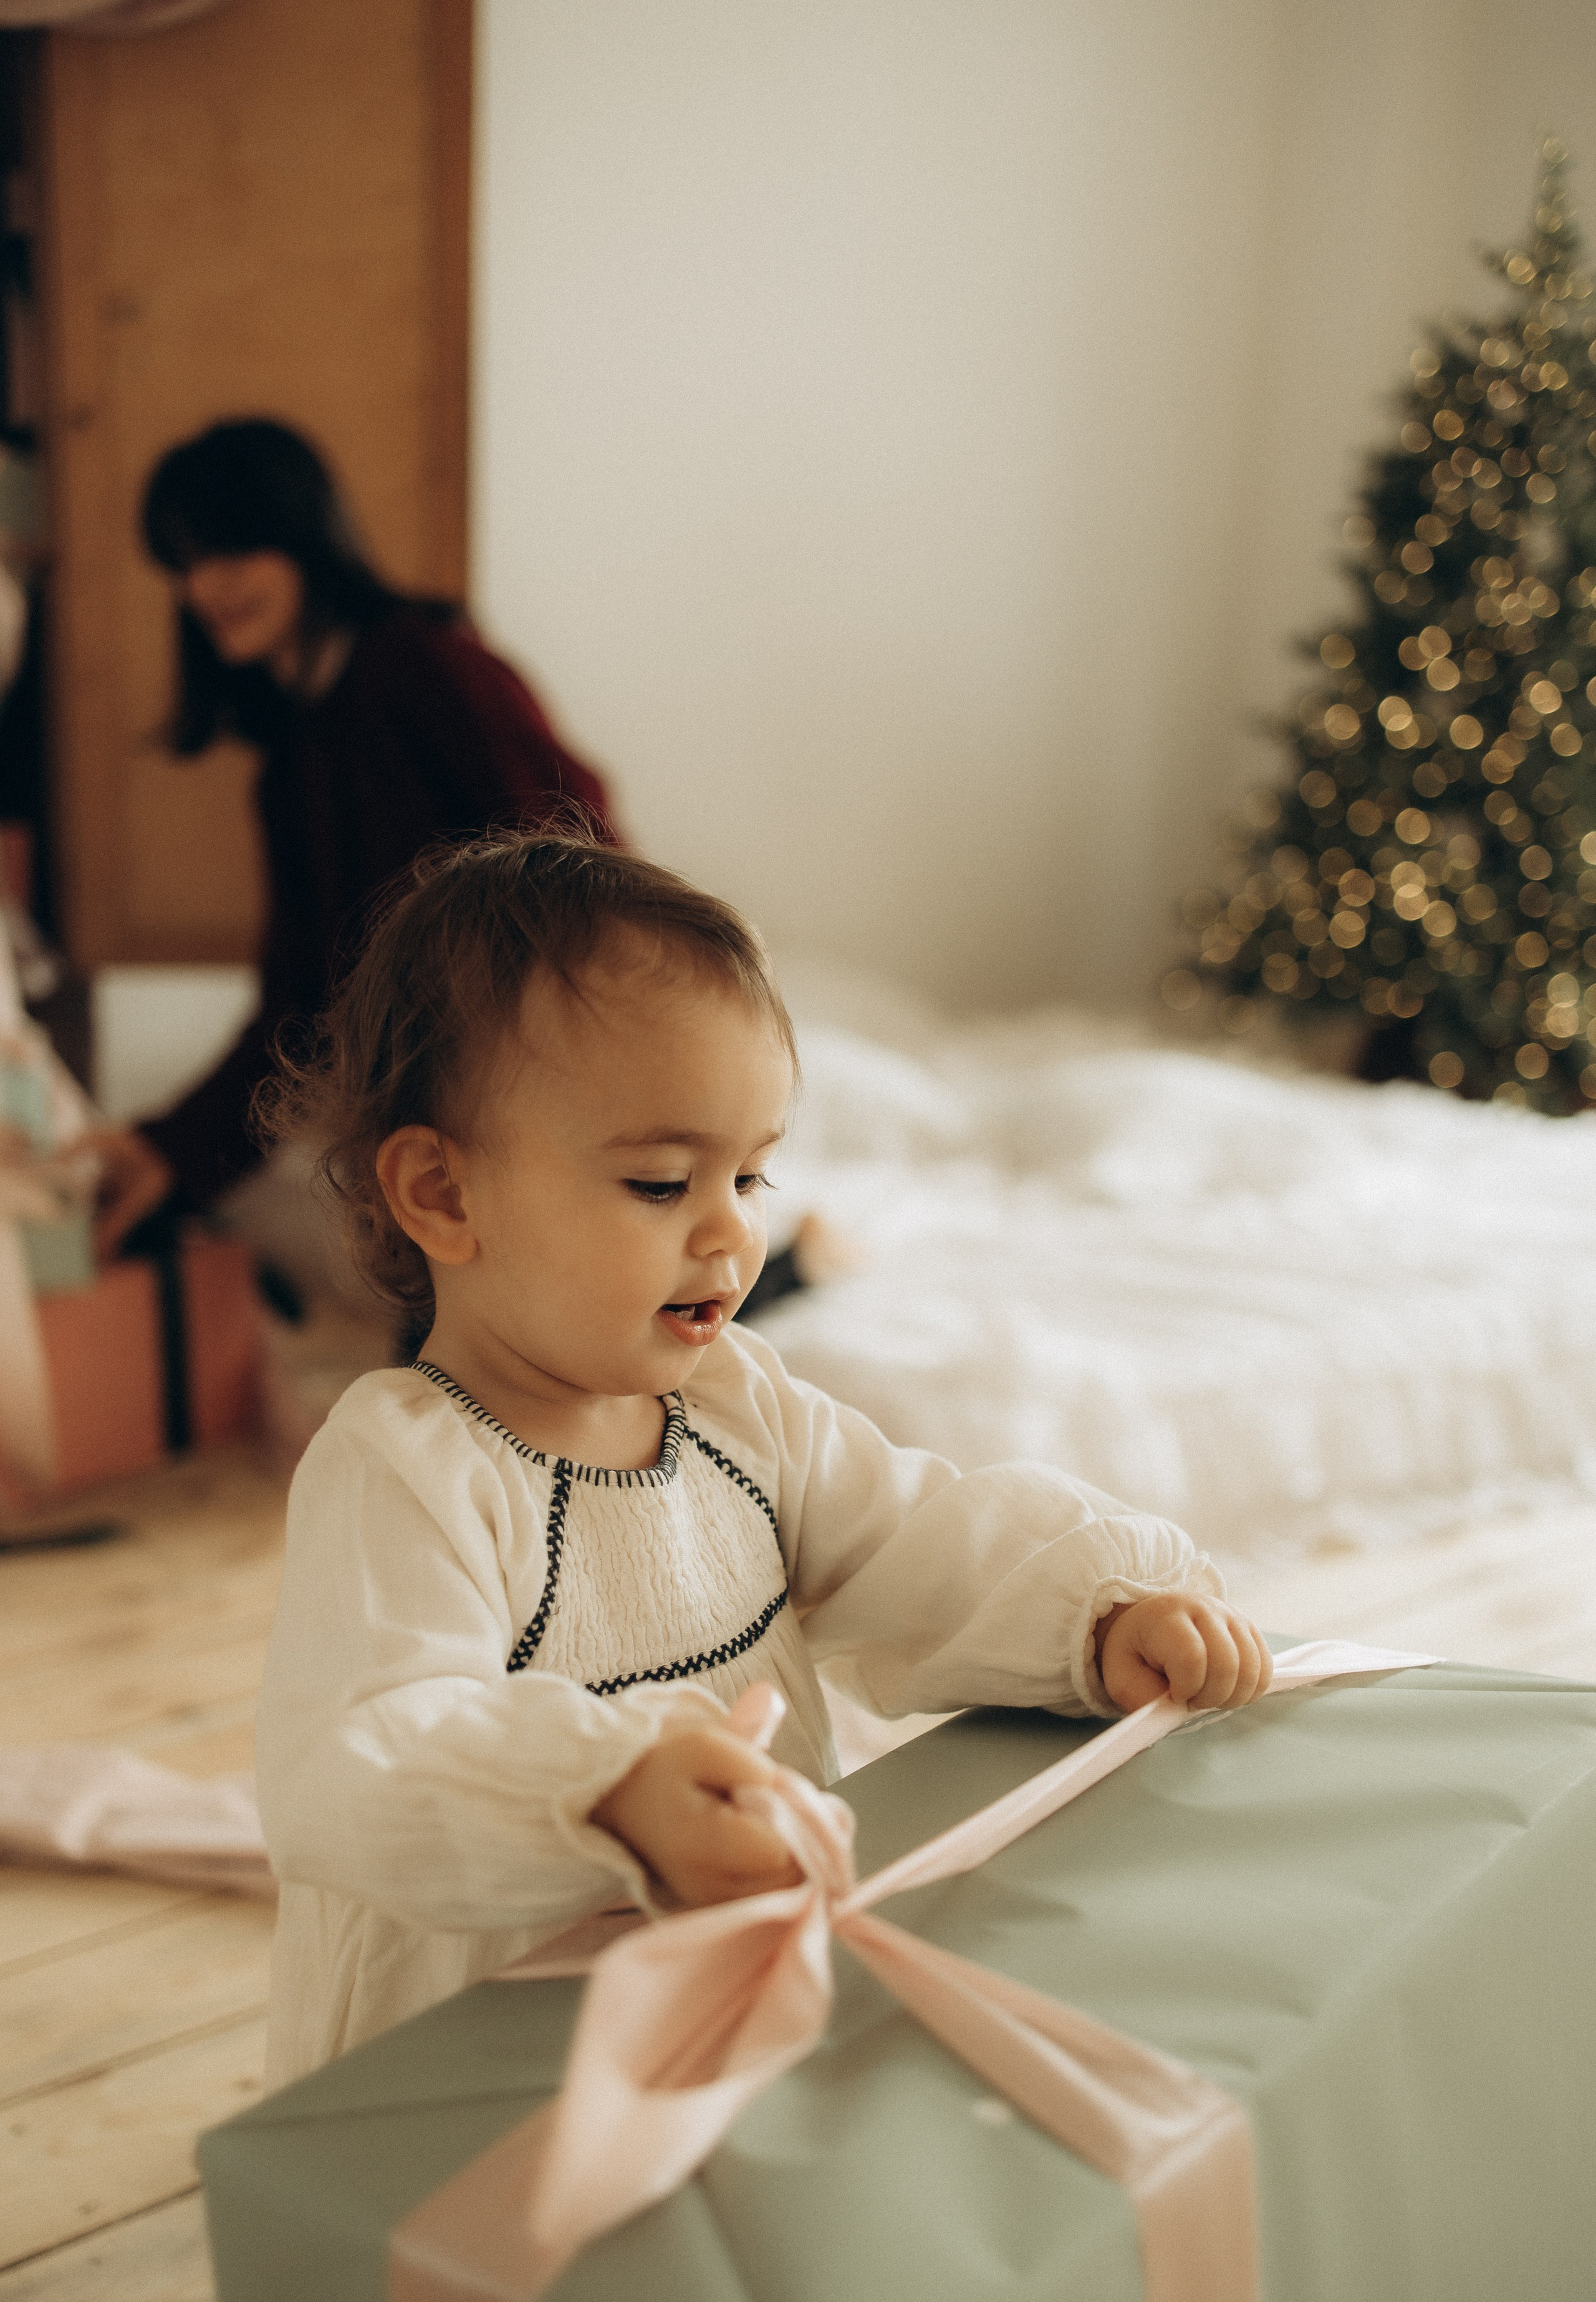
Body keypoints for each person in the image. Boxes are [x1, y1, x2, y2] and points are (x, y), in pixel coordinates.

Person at [253, 831, 1273, 2085]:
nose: (733, 1229)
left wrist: (1096, 1614)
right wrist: (609, 1789)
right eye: (658, 1181)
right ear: (446, 1197)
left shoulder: (741, 1411)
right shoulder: (405, 1468)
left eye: (750, 1173)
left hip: (742, 1994)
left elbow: (917, 1539)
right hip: (476, 2056)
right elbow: (367, 1751)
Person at [80, 415, 616, 1260]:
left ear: (301, 540)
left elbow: (584, 866)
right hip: (445, 1111)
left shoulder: (424, 665)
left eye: (228, 553)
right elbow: (303, 1009)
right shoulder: (292, 767)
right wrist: (168, 1155)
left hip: (537, 1080)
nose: (201, 589)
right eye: (183, 566)